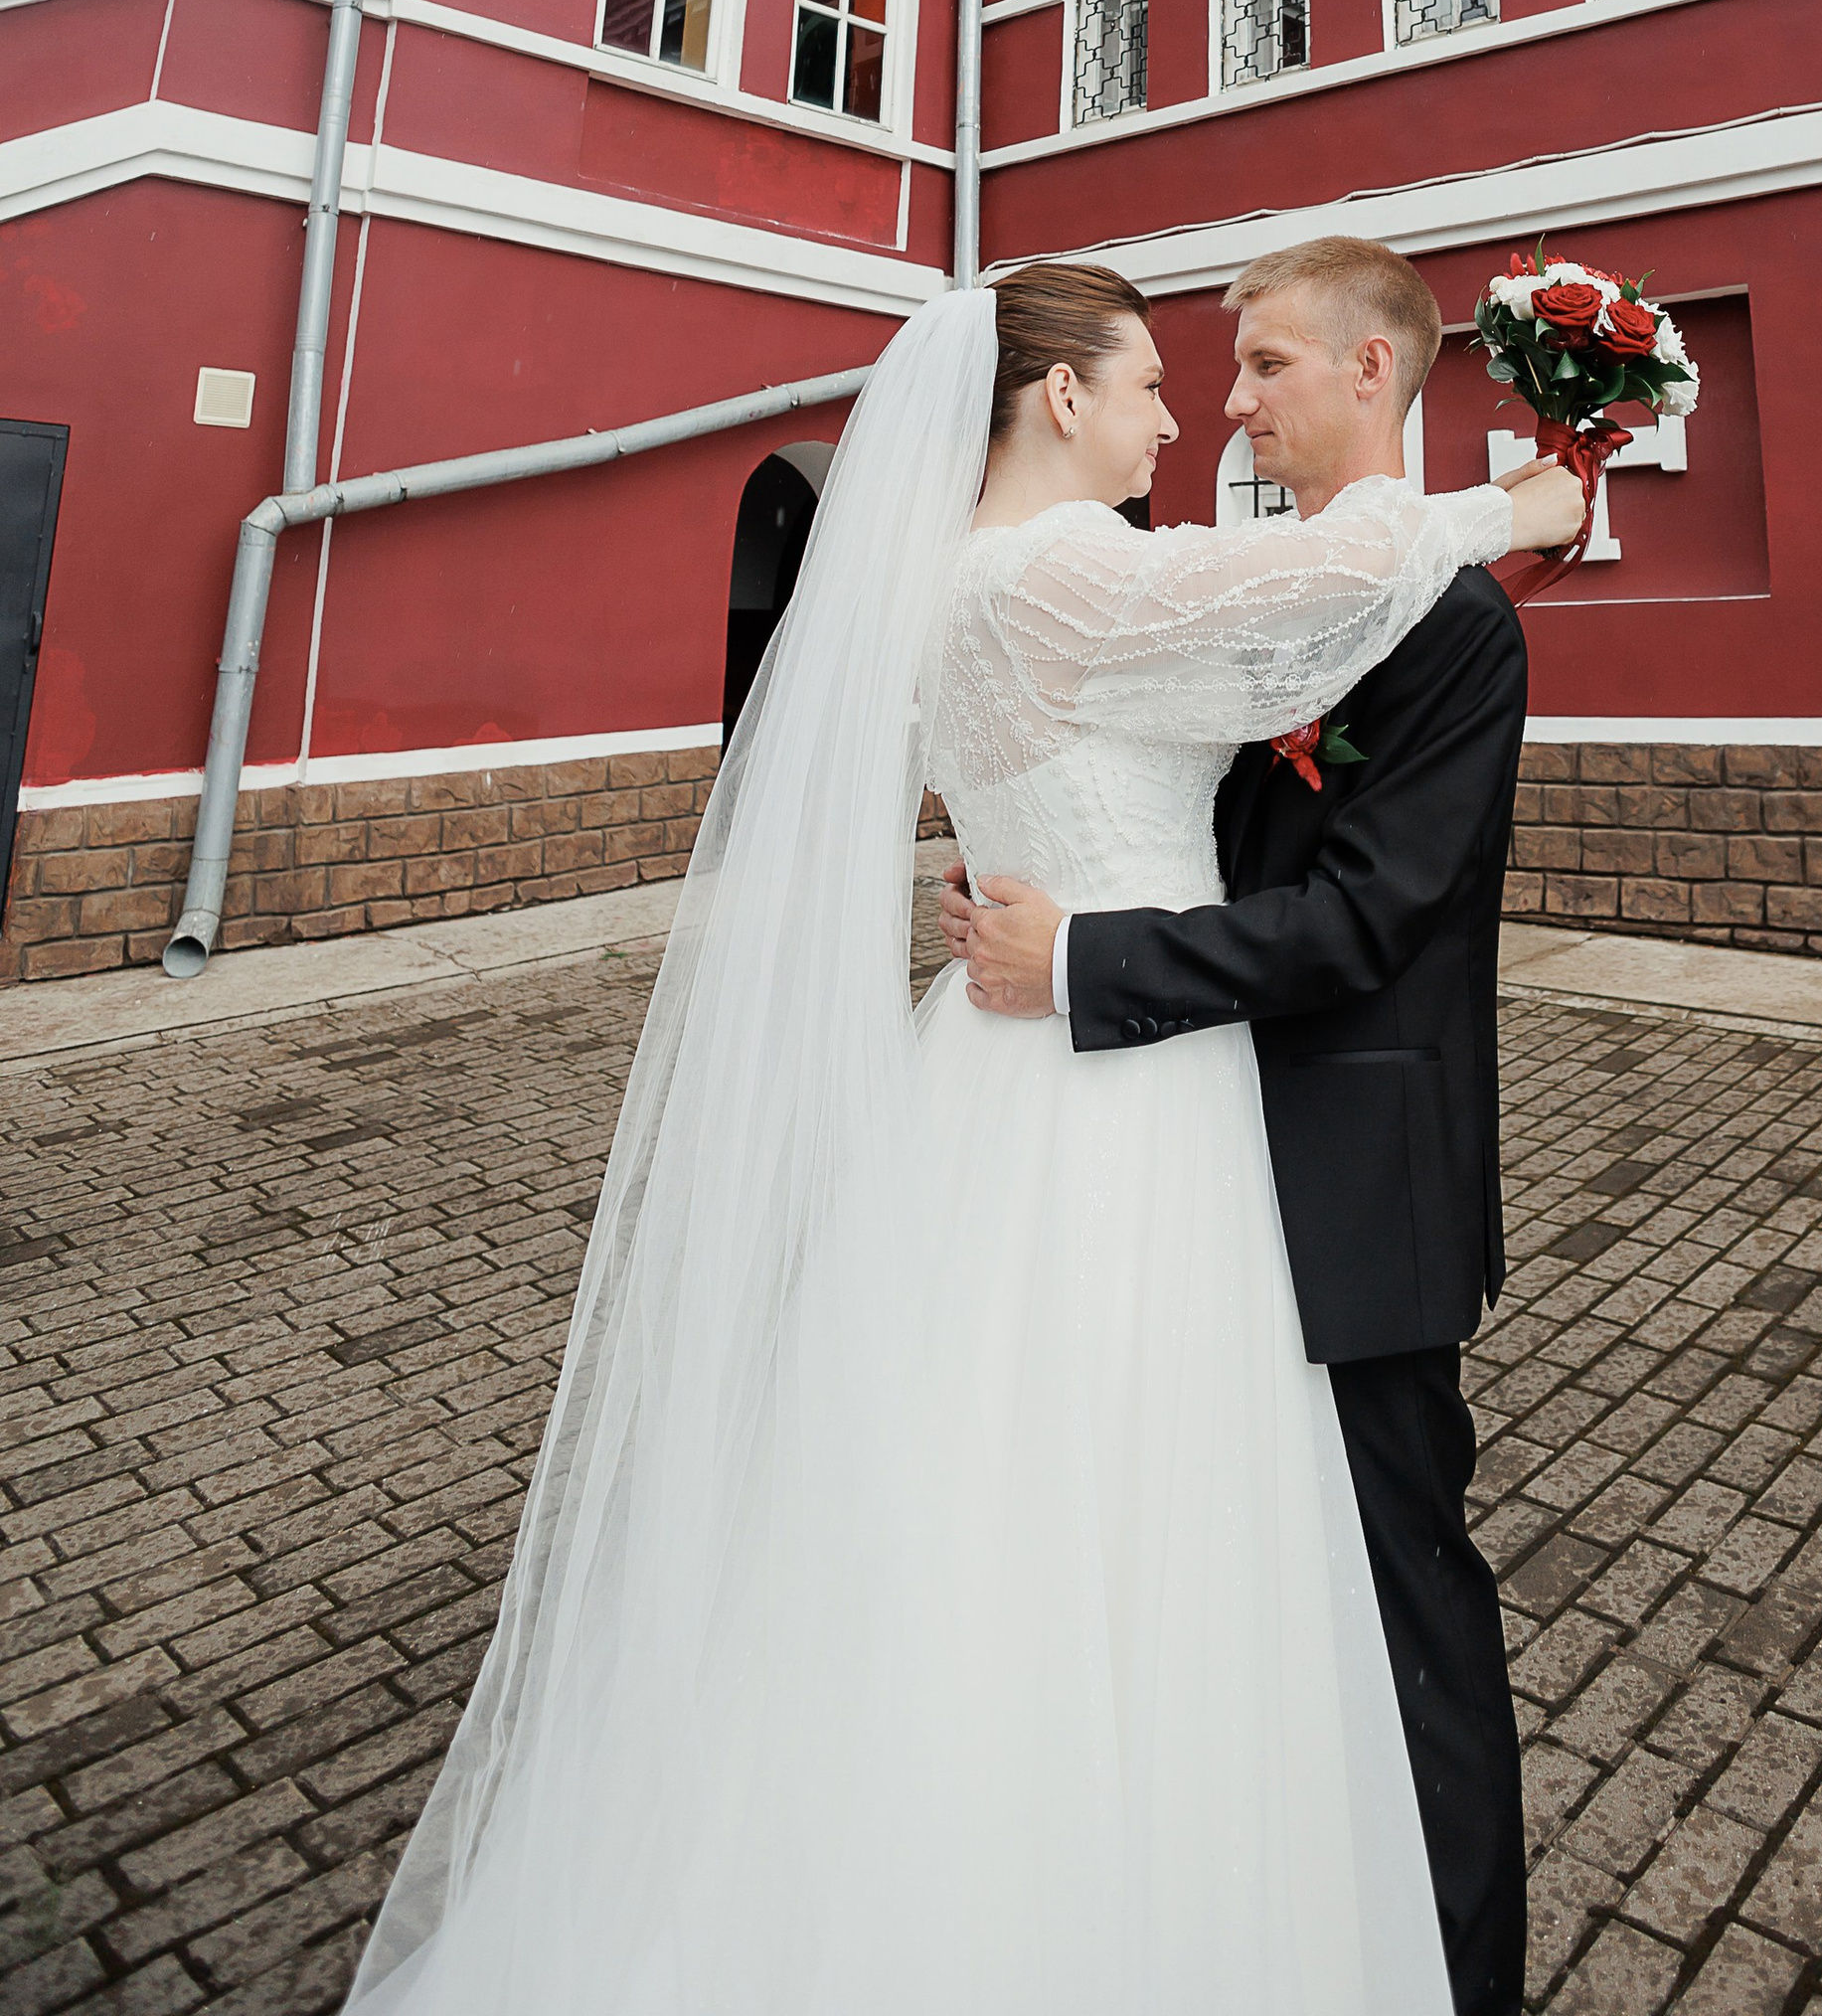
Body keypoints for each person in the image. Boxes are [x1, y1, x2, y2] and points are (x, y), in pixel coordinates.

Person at [341, 256, 1581, 2016]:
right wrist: (1513, 499)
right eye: (1157, 377)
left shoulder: (965, 588)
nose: (1187, 410)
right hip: (1123, 1106)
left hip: (1032, 1078)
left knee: (959, 1499)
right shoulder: (1082, 573)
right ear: (1058, 398)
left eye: (1227, 369)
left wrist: (1069, 931)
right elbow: (1322, 580)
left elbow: (1274, 757)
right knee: (1131, 1521)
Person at [948, 235, 1544, 2016]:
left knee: (1401, 1614)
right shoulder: (1193, 584)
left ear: (1371, 372)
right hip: (1171, 1166)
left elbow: (1368, 919)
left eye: (1266, 365)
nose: (1228, 402)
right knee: (1192, 1603)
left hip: (1349, 1183)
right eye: (1203, 372)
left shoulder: (1451, 624)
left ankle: (1453, 1975)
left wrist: (1077, 955)